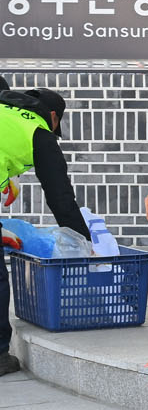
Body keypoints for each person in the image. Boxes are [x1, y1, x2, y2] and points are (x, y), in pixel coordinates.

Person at [0, 86, 89, 376]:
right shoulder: (38, 132)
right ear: (52, 116)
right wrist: (86, 244)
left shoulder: (6, 109)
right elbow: (61, 199)